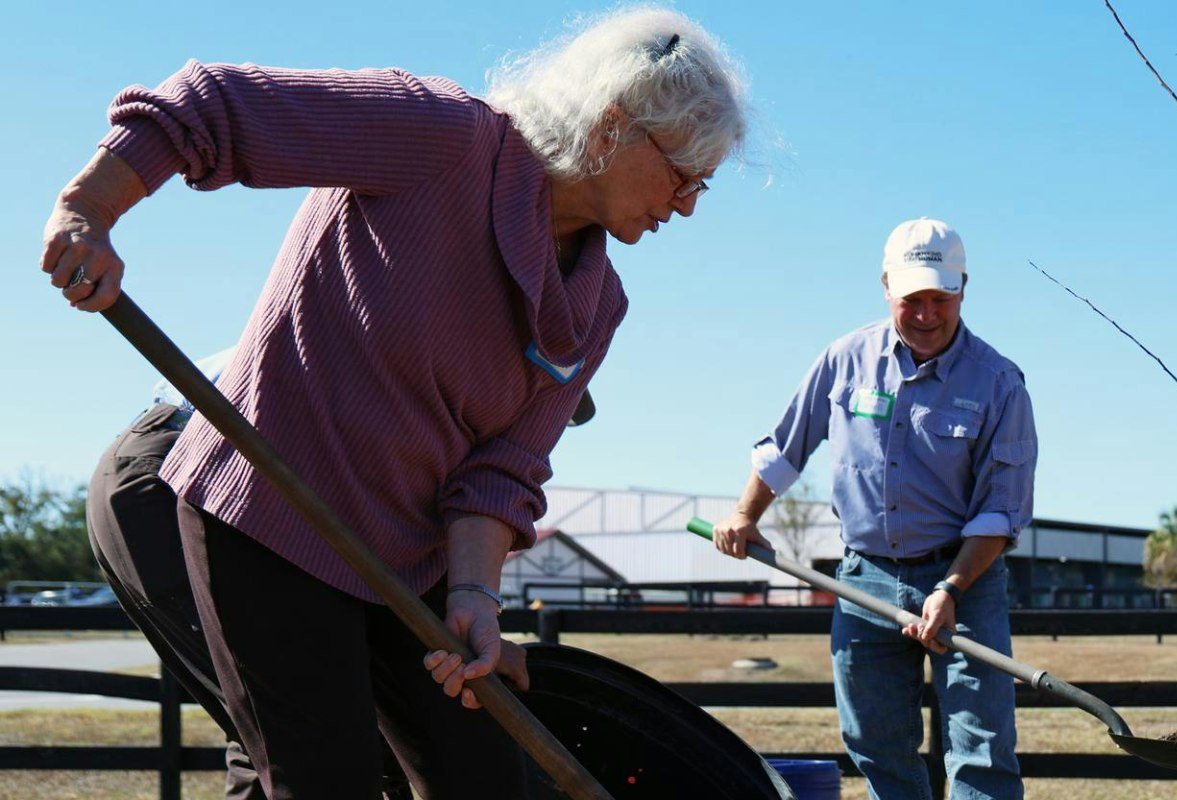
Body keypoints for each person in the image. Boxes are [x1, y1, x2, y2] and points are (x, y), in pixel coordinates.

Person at [43, 7, 749, 797]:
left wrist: (477, 598)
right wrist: (90, 208)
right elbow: (212, 104)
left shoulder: (596, 306)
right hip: (271, 514)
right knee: (327, 780)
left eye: (703, 186)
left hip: (409, 562)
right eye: (684, 173)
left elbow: (501, 471)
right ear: (616, 125)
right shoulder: (443, 138)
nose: (687, 204)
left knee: (486, 780)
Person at [87, 349, 591, 799]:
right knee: (293, 732)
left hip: (293, 487)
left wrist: (471, 632)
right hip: (185, 462)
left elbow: (436, 527)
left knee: (331, 734)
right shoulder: (444, 370)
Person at [712, 218, 1036, 799]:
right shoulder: (844, 360)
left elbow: (1000, 511)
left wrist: (952, 589)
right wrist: (745, 515)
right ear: (886, 286)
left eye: (942, 297)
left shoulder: (999, 384)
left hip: (966, 582)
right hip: (865, 581)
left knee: (980, 750)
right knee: (874, 743)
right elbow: (786, 447)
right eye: (913, 298)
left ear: (964, 288)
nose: (927, 313)